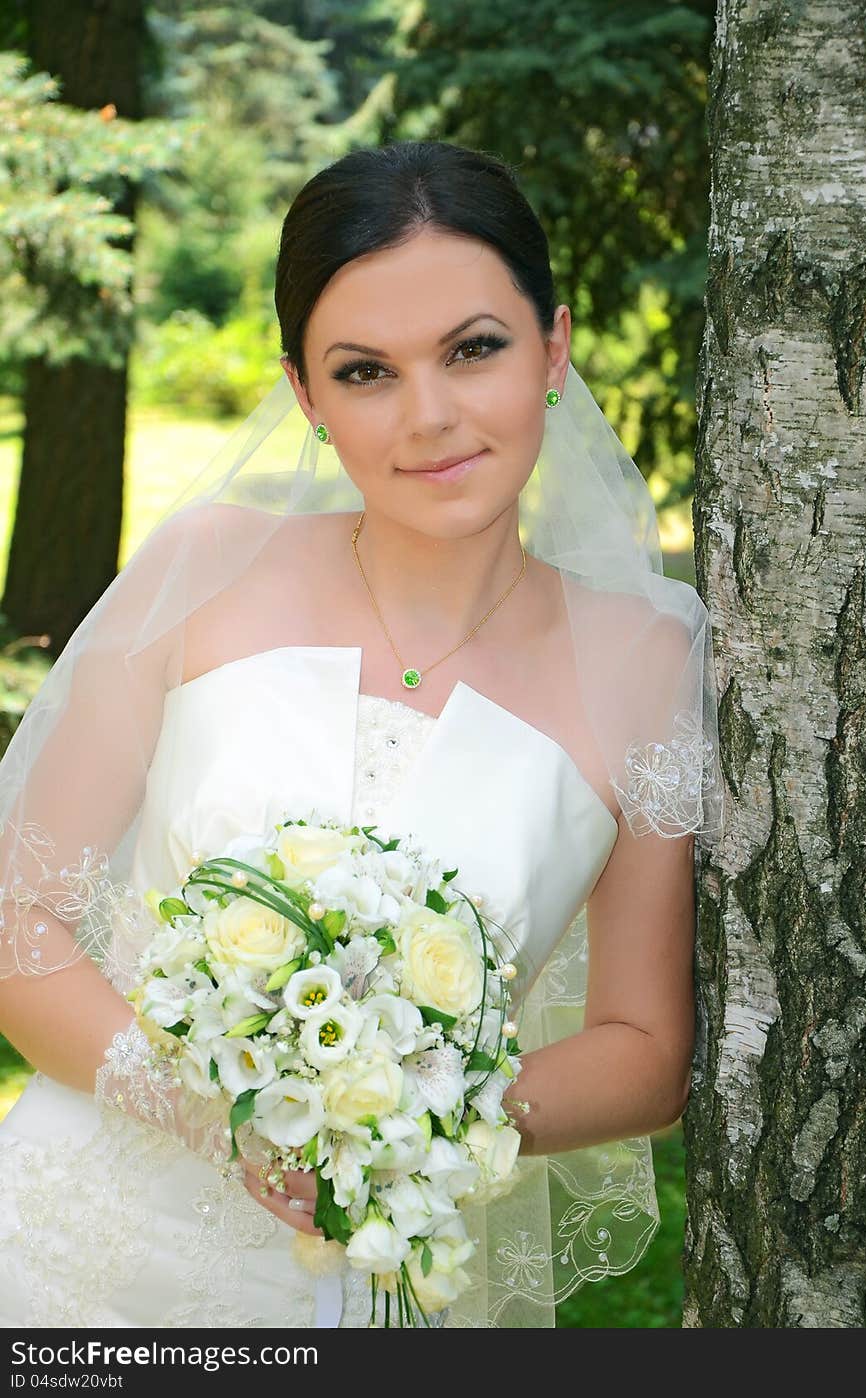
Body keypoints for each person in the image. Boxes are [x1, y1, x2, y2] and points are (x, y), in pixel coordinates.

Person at [0, 139, 724, 1328]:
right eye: (365, 371)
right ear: (305, 396)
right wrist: (213, 1108)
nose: (429, 417)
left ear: (554, 347)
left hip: (371, 1282)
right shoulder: (206, 569)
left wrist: (408, 1116)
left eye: (473, 349)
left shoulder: (651, 662)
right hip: (64, 1263)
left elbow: (644, 1048)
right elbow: (18, 917)